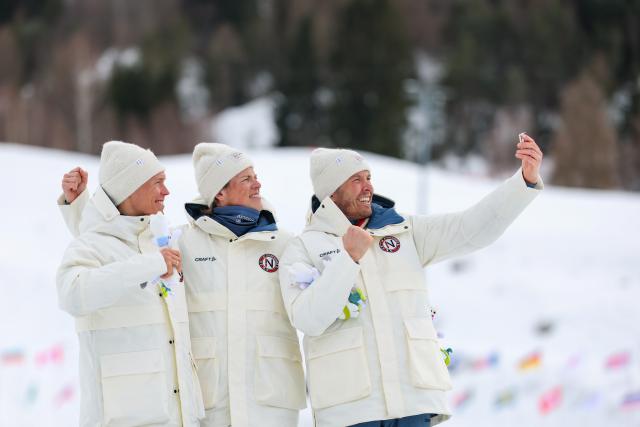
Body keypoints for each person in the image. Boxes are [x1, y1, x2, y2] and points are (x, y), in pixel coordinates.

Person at [278, 134, 544, 427]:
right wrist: (348, 259)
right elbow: (308, 319)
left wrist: (523, 183)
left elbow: (472, 229)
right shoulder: (302, 247)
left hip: (413, 403)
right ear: (332, 191)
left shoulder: (406, 231)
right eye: (356, 180)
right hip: (351, 411)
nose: (368, 186)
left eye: (368, 177)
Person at [59, 143, 306, 427]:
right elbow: (114, 243)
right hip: (207, 408)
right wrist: (81, 210)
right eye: (246, 178)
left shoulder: (285, 244)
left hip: (270, 405)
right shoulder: (181, 243)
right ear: (220, 192)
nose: (258, 184)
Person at [56, 141, 204, 426]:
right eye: (158, 183)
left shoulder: (158, 241)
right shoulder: (100, 248)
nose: (167, 191)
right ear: (130, 189)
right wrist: (150, 265)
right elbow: (72, 293)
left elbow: (114, 234)